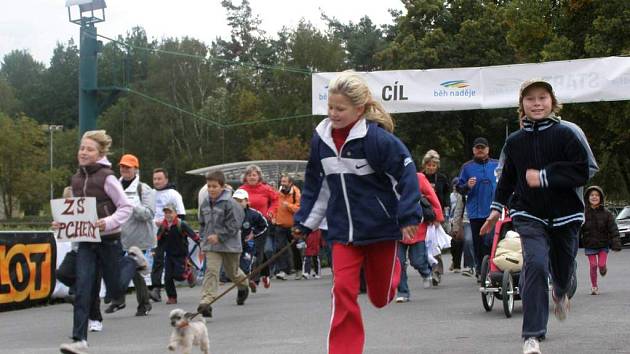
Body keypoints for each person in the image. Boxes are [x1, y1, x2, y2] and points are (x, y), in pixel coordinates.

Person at [292, 72, 421, 354]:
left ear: (359, 109)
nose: (333, 114)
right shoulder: (320, 141)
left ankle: (392, 273)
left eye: (340, 109)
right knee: (343, 290)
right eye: (330, 108)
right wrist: (305, 222)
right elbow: (317, 185)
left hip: (380, 230)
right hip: (342, 232)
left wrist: (409, 216)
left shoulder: (377, 140)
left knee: (379, 297)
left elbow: (407, 175)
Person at [480, 79, 592, 354]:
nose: (537, 103)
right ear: (522, 106)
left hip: (566, 214)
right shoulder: (514, 141)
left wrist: (545, 176)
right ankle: (532, 336)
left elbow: (585, 169)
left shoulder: (567, 133)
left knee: (563, 269)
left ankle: (561, 290)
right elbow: (507, 179)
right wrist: (496, 208)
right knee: (536, 264)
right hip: (529, 213)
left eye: (542, 98)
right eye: (530, 99)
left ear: (552, 102)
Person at [56, 130, 133, 354]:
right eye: (82, 148)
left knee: (115, 292)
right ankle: (80, 340)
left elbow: (126, 207)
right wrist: (61, 223)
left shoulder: (107, 177)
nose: (84, 152)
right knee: (83, 289)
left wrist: (107, 222)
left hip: (108, 240)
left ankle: (132, 262)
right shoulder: (76, 178)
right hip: (87, 241)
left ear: (99, 153)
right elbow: (76, 212)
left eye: (89, 149)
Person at [102, 154, 155, 316]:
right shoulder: (113, 186)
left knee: (135, 271)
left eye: (128, 167)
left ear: (136, 169)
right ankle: (120, 300)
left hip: (138, 238)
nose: (124, 169)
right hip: (118, 236)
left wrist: (130, 205)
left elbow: (149, 214)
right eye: (122, 167)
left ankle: (143, 303)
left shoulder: (144, 189)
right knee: (115, 268)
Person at [197, 171, 248, 318]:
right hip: (212, 245)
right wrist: (203, 239)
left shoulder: (231, 203)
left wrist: (220, 236)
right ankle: (206, 302)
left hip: (230, 245)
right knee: (211, 271)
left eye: (214, 186)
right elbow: (202, 223)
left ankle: (243, 286)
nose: (211, 189)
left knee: (233, 272)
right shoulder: (205, 202)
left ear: (223, 186)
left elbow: (236, 224)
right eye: (209, 186)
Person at [396, 172, 443, 302]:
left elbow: (431, 196)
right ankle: (403, 292)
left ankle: (426, 271)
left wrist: (437, 217)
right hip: (396, 228)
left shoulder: (418, 177)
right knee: (398, 262)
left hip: (417, 227)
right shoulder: (387, 178)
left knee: (417, 260)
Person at [456, 137, 499, 279]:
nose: (480, 150)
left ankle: (492, 268)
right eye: (477, 148)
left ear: (488, 149)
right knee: (478, 243)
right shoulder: (467, 167)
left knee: (491, 241)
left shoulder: (497, 165)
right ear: (473, 150)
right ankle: (480, 269)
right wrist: (467, 185)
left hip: (494, 211)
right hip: (476, 213)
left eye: (483, 147)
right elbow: (460, 189)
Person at [149, 168, 187, 302]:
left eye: (159, 178)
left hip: (172, 233)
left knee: (175, 265)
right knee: (157, 260)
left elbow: (181, 215)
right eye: (155, 179)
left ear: (166, 179)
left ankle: (186, 272)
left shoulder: (173, 194)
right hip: (156, 233)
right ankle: (156, 289)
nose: (157, 181)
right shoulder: (150, 193)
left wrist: (168, 224)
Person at [238, 164, 278, 287]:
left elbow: (276, 200)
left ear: (259, 176)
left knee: (260, 250)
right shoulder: (241, 189)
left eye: (254, 175)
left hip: (262, 224)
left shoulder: (266, 189)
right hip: (246, 225)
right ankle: (265, 274)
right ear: (245, 177)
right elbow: (235, 203)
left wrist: (271, 211)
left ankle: (253, 279)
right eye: (249, 175)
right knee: (254, 251)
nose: (251, 177)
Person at [580, 186, 621, 295]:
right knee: (593, 265)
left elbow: (613, 229)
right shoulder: (583, 213)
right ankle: (594, 286)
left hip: (603, 244)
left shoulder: (607, 213)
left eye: (597, 195)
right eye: (592, 195)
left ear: (601, 198)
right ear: (588, 198)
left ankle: (603, 268)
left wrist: (616, 244)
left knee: (601, 264)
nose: (594, 197)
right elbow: (577, 230)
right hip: (589, 244)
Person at [156, 203, 200, 304]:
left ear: (176, 213)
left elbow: (193, 235)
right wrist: (156, 251)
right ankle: (172, 297)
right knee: (167, 277)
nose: (168, 215)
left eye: (170, 212)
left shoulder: (181, 224)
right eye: (166, 213)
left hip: (181, 255)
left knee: (179, 276)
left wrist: (201, 244)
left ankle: (189, 272)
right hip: (169, 255)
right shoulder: (163, 226)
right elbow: (158, 240)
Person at [232, 188, 269, 292]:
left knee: (248, 263)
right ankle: (249, 280)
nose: (237, 204)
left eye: (240, 201)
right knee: (235, 265)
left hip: (249, 244)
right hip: (234, 244)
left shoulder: (254, 214)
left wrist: (254, 233)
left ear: (247, 202)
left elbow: (264, 225)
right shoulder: (229, 213)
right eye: (235, 201)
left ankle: (250, 281)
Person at [421, 149, 450, 282]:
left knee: (434, 243)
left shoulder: (442, 178)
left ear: (437, 166)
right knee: (423, 243)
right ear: (424, 165)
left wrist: (444, 213)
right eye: (429, 164)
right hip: (422, 214)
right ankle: (427, 269)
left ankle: (436, 271)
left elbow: (446, 196)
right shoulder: (420, 177)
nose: (431, 167)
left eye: (433, 165)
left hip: (437, 214)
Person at [274, 174, 302, 279]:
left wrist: (288, 206)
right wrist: (273, 216)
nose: (282, 184)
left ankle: (298, 269)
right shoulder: (278, 192)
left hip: (292, 226)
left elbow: (299, 209)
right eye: (282, 181)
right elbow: (275, 205)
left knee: (295, 248)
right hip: (280, 224)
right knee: (280, 248)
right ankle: (283, 270)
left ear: (290, 183)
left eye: (284, 182)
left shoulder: (296, 193)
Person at [449, 177, 475, 276]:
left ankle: (481, 267)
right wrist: (456, 226)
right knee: (468, 240)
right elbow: (458, 210)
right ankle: (469, 266)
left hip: (483, 219)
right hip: (467, 220)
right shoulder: (462, 193)